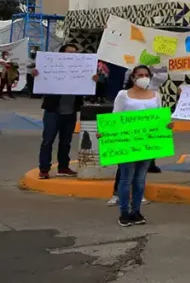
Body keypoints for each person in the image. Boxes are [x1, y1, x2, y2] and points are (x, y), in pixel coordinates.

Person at [106, 65, 169, 227]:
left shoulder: (155, 96)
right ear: (133, 77)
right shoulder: (123, 95)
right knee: (126, 179)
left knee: (140, 179)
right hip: (128, 143)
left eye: (146, 75)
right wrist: (106, 132)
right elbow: (115, 118)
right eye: (140, 74)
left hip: (147, 144)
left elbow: (159, 118)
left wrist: (166, 126)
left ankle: (136, 211)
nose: (143, 77)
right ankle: (124, 212)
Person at [37, 43, 98, 179]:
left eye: (74, 53)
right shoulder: (52, 68)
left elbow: (93, 91)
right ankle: (44, 169)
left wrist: (94, 80)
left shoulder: (81, 70)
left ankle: (63, 167)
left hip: (70, 112)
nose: (72, 56)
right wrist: (36, 75)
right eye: (69, 53)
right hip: (53, 111)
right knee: (47, 141)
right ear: (61, 54)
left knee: (66, 142)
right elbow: (40, 81)